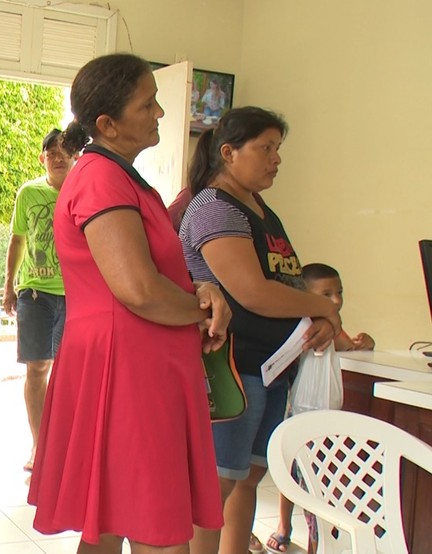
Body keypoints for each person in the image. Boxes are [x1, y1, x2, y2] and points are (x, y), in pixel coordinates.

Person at [28, 53, 231, 554]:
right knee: (155, 526)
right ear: (108, 124)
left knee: (112, 522)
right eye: (149, 103)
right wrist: (203, 310)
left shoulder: (120, 176)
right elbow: (137, 288)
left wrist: (199, 290)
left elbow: (155, 274)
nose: (160, 113)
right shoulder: (101, 178)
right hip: (128, 365)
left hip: (131, 359)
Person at [178, 107, 342, 554]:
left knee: (246, 477)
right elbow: (253, 292)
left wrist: (322, 317)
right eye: (265, 148)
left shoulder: (259, 207)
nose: (276, 159)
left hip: (270, 370)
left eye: (278, 149)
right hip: (234, 367)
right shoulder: (214, 206)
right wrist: (325, 309)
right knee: (216, 486)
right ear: (228, 153)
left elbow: (289, 281)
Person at [266, 262, 374, 554]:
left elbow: (348, 345)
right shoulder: (299, 325)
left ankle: (315, 538)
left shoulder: (331, 325)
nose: (336, 300)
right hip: (296, 412)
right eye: (327, 294)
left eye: (339, 292)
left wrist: (366, 341)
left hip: (324, 415)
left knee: (316, 480)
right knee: (290, 473)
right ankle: (285, 525)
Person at [2, 128, 75, 472]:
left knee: (69, 372)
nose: (58, 156)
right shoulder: (28, 193)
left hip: (76, 294)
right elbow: (16, 241)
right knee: (37, 368)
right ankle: (39, 446)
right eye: (51, 151)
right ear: (41, 158)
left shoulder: (83, 190)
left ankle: (65, 446)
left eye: (64, 151)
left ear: (75, 156)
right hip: (34, 291)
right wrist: (8, 287)